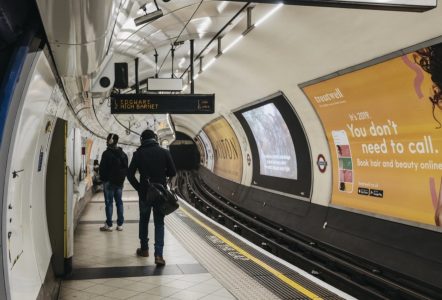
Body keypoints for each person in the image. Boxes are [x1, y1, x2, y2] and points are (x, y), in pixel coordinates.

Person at [127, 129, 176, 266]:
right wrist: (164, 183)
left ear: (142, 139)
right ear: (155, 138)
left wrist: (139, 188)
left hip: (145, 194)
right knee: (159, 223)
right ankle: (159, 255)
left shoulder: (138, 154)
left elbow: (130, 175)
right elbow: (172, 172)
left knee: (144, 221)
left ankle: (144, 249)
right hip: (160, 194)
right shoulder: (164, 152)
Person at [99, 133, 128, 232]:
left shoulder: (106, 154)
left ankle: (109, 225)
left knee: (109, 203)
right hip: (119, 183)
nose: (106, 141)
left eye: (107, 139)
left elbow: (102, 169)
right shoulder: (123, 154)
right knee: (119, 203)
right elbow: (126, 168)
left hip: (109, 183)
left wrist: (103, 179)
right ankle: (120, 225)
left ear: (111, 141)